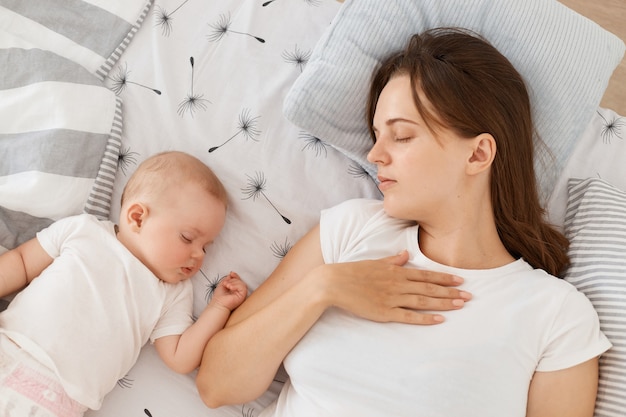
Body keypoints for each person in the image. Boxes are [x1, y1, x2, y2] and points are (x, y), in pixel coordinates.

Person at [196, 28, 611, 417]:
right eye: (376, 135)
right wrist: (324, 288)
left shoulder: (556, 315)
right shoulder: (350, 231)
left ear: (478, 154)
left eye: (402, 135)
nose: (375, 155)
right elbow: (217, 385)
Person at [0, 151, 247, 416]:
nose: (198, 255)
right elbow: (23, 263)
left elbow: (179, 356)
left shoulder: (171, 293)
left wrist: (218, 308)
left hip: (56, 396)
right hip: (9, 346)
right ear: (137, 217)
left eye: (206, 247)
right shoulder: (83, 230)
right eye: (187, 238)